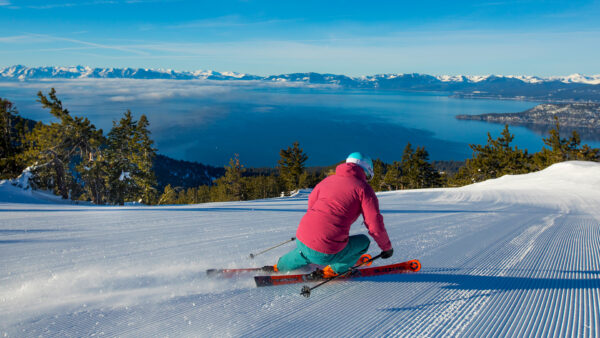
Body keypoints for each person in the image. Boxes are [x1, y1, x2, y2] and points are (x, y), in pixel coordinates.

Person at [267, 152, 394, 278]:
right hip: (325, 251)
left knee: (307, 249)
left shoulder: (327, 180)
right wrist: (386, 247)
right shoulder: (364, 189)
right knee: (363, 242)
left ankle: (281, 266)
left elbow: (312, 204)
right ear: (367, 171)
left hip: (302, 237)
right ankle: (335, 270)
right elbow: (374, 223)